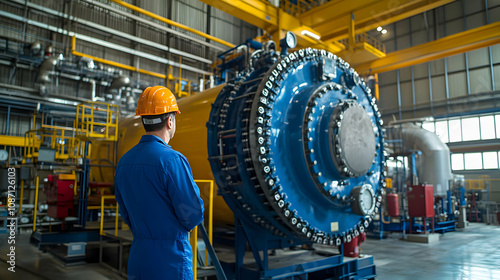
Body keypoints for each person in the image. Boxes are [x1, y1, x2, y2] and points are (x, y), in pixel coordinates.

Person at [114, 86, 204, 280]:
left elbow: (125, 213)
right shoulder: (172, 160)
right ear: (170, 121)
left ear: (144, 121)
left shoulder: (124, 162)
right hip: (170, 260)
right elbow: (193, 214)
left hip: (139, 257)